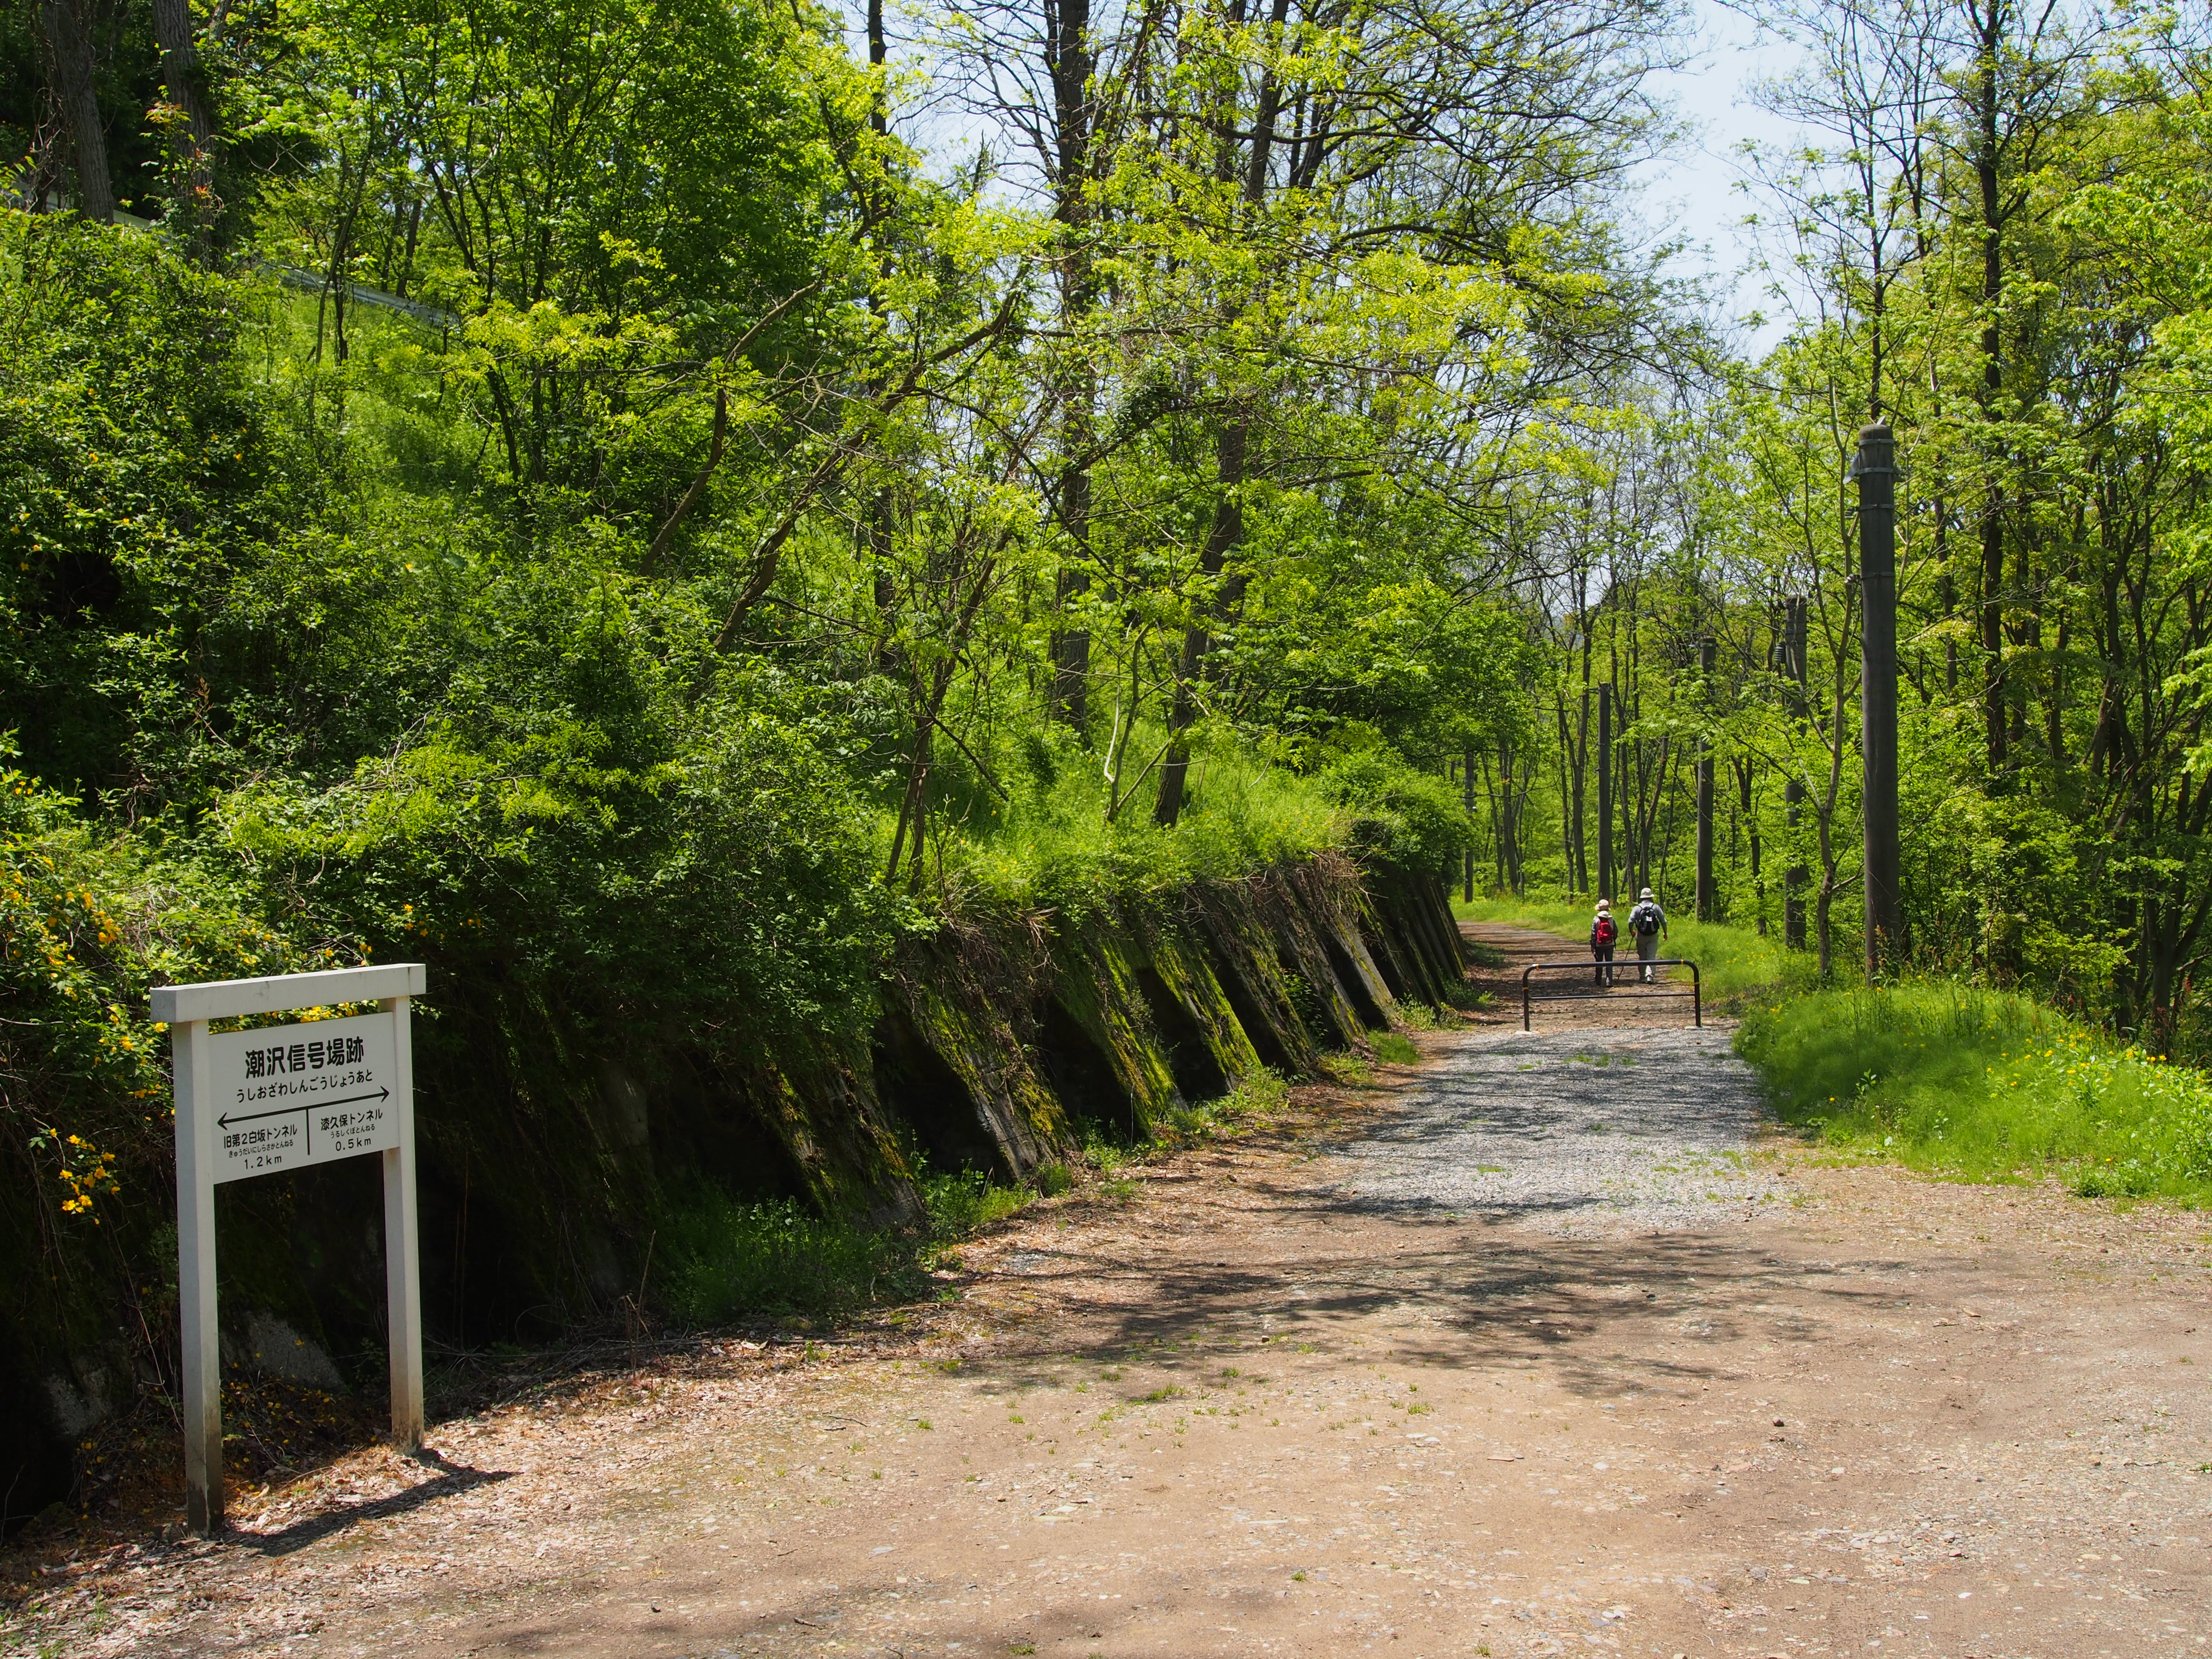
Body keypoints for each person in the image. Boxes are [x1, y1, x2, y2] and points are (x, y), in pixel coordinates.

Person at [1627, 886, 1668, 983]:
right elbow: (1664, 921)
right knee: (1652, 955)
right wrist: (1665, 933)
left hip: (1641, 935)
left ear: (1642, 897)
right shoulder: (1656, 907)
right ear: (1651, 897)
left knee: (1642, 956)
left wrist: (1632, 931)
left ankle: (1642, 977)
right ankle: (1650, 976)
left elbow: (1630, 921)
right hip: (1653, 935)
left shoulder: (1637, 908)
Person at [1589, 898, 1617, 986]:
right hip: (1610, 944)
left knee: (1599, 962)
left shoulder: (1596, 919)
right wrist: (1613, 939)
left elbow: (1594, 933)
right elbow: (1616, 931)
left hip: (1599, 944)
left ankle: (1598, 980)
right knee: (1609, 963)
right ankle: (1609, 981)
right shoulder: (1611, 919)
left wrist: (1593, 945)